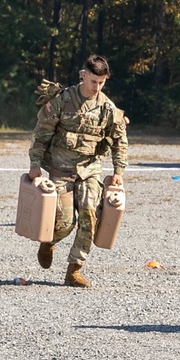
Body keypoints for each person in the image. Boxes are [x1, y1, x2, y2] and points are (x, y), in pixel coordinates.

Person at [28, 54, 129, 288]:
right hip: (61, 169)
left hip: (90, 170)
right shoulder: (63, 100)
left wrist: (118, 171)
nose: (97, 87)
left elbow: (119, 140)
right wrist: (35, 165)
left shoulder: (107, 107)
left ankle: (74, 270)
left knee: (89, 217)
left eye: (101, 82)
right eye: (93, 81)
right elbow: (42, 133)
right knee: (64, 223)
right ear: (83, 75)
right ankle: (49, 242)